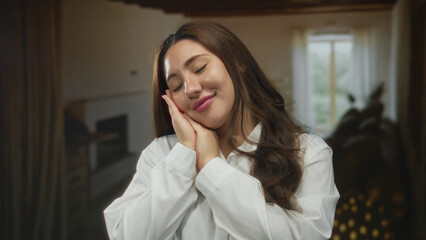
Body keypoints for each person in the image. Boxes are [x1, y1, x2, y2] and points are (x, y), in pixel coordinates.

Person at [104, 21, 339, 240]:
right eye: (176, 85)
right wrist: (185, 155)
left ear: (238, 63)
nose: (191, 89)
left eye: (200, 68)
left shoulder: (308, 152)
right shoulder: (162, 154)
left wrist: (210, 167)